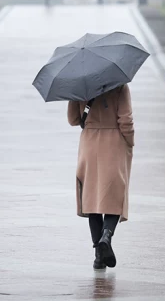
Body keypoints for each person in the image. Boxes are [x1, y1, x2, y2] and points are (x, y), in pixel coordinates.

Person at [67, 84, 134, 270]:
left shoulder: (80, 85)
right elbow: (126, 120)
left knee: (92, 199)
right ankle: (106, 235)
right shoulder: (120, 85)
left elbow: (73, 119)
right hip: (114, 143)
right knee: (114, 195)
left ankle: (98, 255)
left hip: (89, 143)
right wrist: (130, 142)